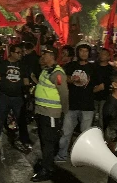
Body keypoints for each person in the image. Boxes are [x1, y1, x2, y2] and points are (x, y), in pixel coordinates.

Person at [55, 43, 97, 162]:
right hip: (71, 104)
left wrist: (88, 93)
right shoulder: (71, 66)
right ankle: (62, 155)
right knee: (66, 132)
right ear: (77, 53)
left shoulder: (94, 68)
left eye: (86, 51)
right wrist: (71, 80)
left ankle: (82, 158)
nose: (83, 53)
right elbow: (61, 79)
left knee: (84, 135)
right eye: (81, 51)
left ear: (89, 53)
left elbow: (100, 86)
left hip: (87, 106)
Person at [31, 49, 68, 182]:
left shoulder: (57, 73)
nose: (42, 57)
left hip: (51, 113)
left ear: (51, 56)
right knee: (43, 139)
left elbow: (64, 94)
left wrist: (64, 113)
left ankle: (47, 169)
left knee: (48, 142)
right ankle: (47, 163)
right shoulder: (46, 70)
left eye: (44, 55)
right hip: (42, 112)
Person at [0, 44, 30, 150]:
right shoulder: (3, 64)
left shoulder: (22, 65)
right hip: (4, 96)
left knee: (21, 120)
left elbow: (25, 80)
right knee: (0, 118)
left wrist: (27, 92)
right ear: (11, 53)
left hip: (18, 98)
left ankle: (24, 140)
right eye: (18, 52)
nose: (20, 54)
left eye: (21, 52)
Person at [93, 48, 113, 128]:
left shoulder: (111, 69)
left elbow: (110, 81)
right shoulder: (94, 67)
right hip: (93, 95)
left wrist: (103, 86)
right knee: (93, 116)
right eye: (101, 53)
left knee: (102, 116)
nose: (102, 55)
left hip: (105, 96)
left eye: (104, 54)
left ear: (108, 57)